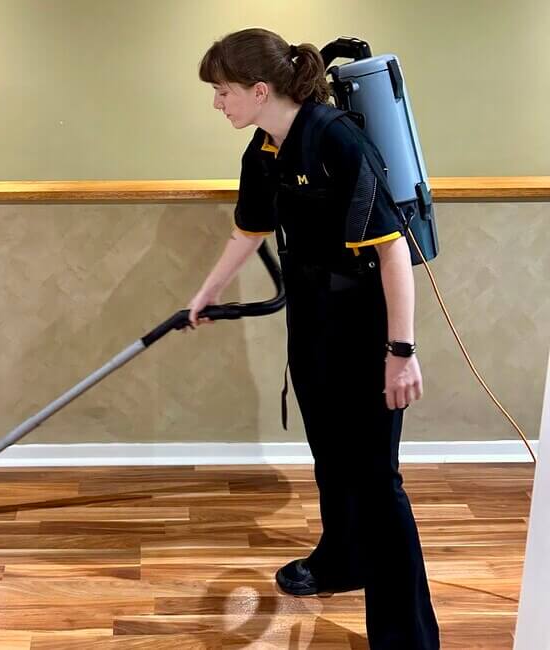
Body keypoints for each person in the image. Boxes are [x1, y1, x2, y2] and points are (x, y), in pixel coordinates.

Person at [189, 28, 441, 649]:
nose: (217, 103)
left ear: (259, 88)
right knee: (330, 458)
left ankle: (407, 638)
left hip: (365, 330)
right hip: (310, 323)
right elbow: (249, 230)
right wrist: (208, 291)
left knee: (377, 482)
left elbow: (393, 256)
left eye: (222, 92)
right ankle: (340, 561)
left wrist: (401, 353)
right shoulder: (264, 150)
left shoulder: (337, 140)